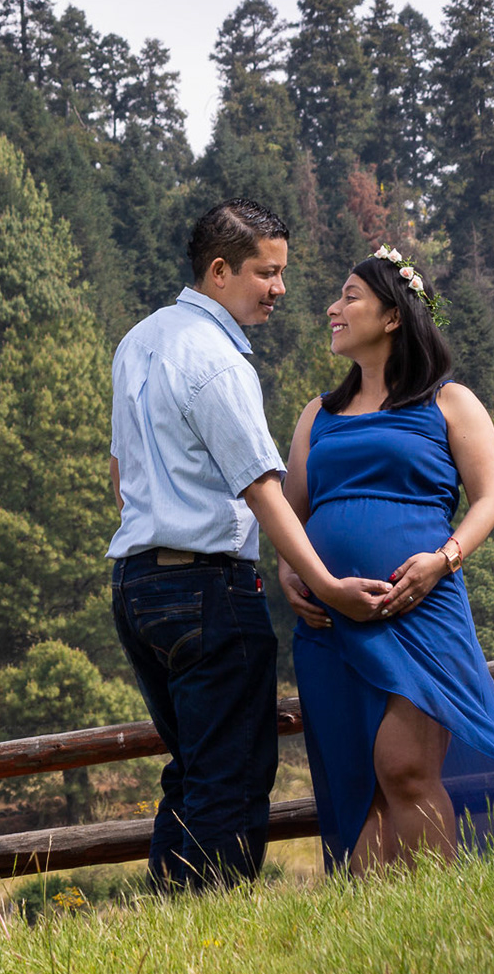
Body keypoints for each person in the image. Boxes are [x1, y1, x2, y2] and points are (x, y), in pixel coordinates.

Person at [278, 248, 494, 874]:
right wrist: (295, 573)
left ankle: (438, 910)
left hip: (418, 612)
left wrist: (441, 560)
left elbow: (489, 501)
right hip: (328, 621)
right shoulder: (317, 415)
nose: (332, 308)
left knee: (404, 767)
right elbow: (290, 512)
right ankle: (371, 933)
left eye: (349, 296)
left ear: (394, 314)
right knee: (356, 785)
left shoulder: (450, 403)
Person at [108, 200, 390, 891]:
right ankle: (212, 930)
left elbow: (120, 475)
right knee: (230, 775)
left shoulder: (137, 341)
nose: (281, 289)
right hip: (207, 588)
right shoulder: (216, 358)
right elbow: (262, 487)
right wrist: (323, 585)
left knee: (194, 767)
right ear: (220, 269)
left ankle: (172, 926)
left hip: (137, 585)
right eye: (269, 272)